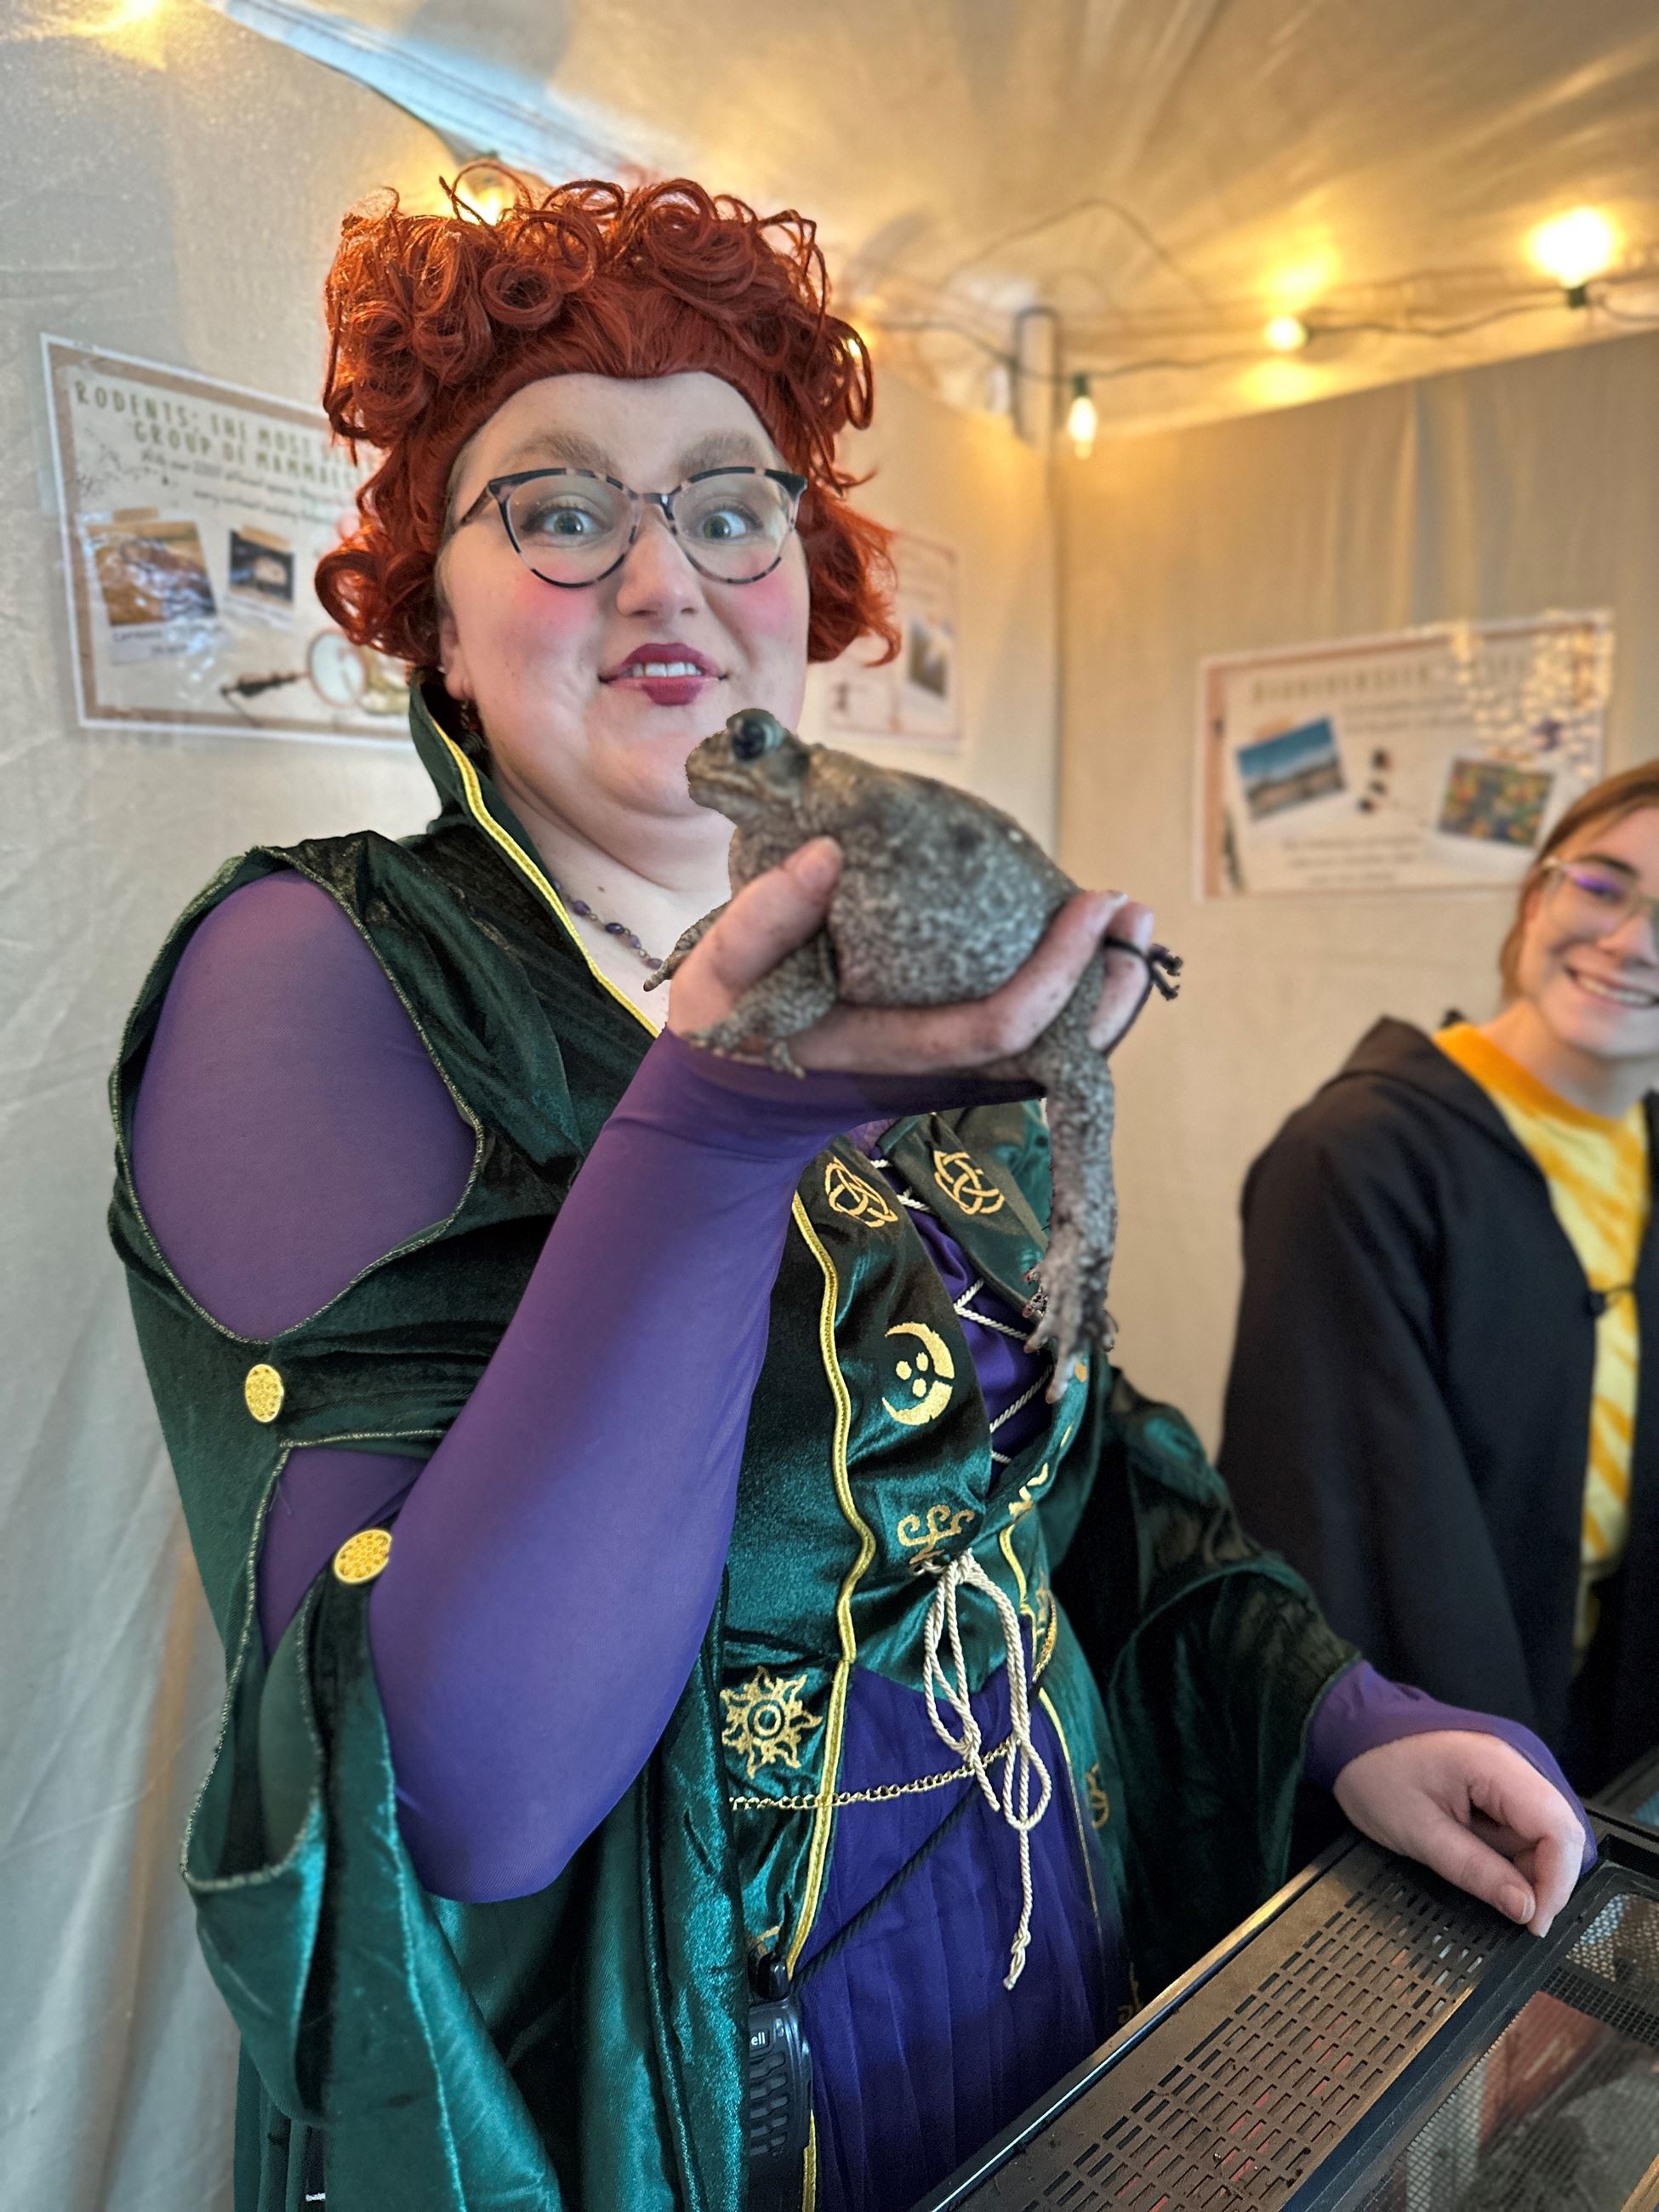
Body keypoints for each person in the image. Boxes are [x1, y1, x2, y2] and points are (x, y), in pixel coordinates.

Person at [111, 174, 1590, 2212]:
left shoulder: (884, 930)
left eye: (730, 506)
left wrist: (1325, 1699)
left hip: (1059, 1942)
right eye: (555, 507)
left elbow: (1055, 1435)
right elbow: (469, 1790)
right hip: (695, 2092)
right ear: (427, 612)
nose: (663, 574)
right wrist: (719, 1124)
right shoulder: (320, 979)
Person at [1220, 763, 1659, 1797]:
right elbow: (1360, 1542)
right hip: (1461, 1765)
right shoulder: (1359, 1157)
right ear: (1536, 895)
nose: (1631, 939)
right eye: (1602, 884)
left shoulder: (1643, 1142)